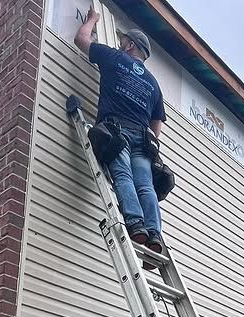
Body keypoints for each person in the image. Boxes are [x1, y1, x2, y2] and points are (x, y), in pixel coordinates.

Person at [74, 10, 167, 253]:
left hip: (117, 130)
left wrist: (92, 21)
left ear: (130, 46)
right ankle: (154, 233)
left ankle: (136, 226)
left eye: (122, 40)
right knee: (145, 186)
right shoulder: (153, 83)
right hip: (142, 138)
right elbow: (156, 129)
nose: (119, 43)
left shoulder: (115, 58)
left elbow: (81, 40)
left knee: (123, 176)